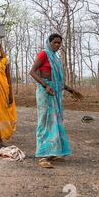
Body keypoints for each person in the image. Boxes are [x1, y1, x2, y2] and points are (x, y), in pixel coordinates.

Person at [29, 33, 83, 169]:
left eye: (59, 43)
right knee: (45, 122)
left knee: (56, 123)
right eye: (55, 42)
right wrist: (45, 85)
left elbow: (58, 81)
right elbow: (33, 72)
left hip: (55, 92)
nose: (57, 45)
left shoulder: (56, 59)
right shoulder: (44, 54)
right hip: (45, 92)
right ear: (49, 42)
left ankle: (52, 153)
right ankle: (42, 156)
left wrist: (71, 90)